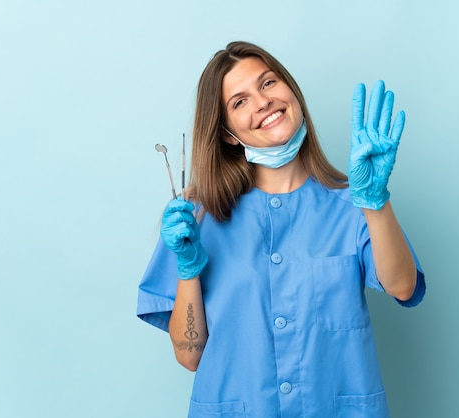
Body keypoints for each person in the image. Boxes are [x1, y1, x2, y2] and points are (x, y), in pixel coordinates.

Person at [137, 41, 426, 418]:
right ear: (227, 134)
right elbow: (189, 355)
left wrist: (375, 201)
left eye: (268, 83)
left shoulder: (353, 204)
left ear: (291, 91)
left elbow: (403, 286)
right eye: (239, 102)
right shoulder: (196, 220)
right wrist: (188, 270)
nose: (262, 102)